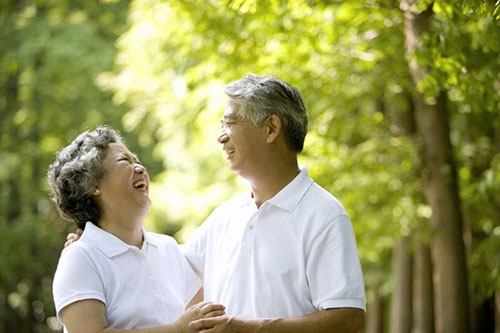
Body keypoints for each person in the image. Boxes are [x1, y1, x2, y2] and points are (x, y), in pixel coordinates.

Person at [66, 74, 366, 332]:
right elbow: (156, 267)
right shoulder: (226, 216)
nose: (221, 137)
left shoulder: (324, 215)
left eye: (230, 123)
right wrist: (96, 241)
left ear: (271, 129)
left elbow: (348, 321)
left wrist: (246, 328)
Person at [48, 126, 225, 332]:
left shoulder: (167, 248)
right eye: (125, 161)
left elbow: (204, 319)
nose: (139, 168)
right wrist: (177, 330)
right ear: (93, 185)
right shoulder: (80, 257)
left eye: (137, 160)